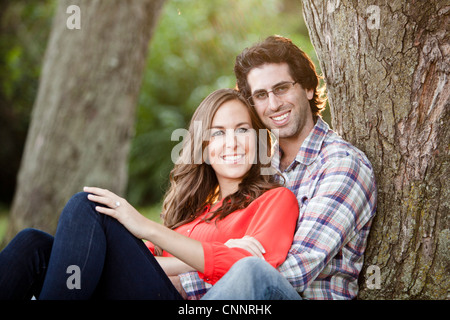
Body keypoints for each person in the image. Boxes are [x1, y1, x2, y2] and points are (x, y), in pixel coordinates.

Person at [0, 88, 299, 299]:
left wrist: (147, 229)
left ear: (260, 140)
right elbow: (143, 263)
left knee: (87, 206)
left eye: (243, 129)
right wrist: (189, 260)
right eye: (217, 132)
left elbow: (251, 269)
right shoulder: (195, 214)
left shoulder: (275, 200)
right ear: (204, 149)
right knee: (34, 244)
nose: (232, 142)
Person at [176, 36, 377, 300]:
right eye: (261, 95)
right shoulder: (260, 169)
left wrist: (181, 280)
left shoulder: (341, 165)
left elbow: (293, 272)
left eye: (281, 88)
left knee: (252, 271)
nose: (273, 105)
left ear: (307, 87)